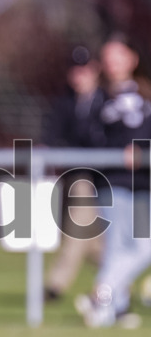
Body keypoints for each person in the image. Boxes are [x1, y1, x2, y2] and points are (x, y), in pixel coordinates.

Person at [75, 34, 151, 327]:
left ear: (132, 59)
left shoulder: (146, 95)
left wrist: (141, 150)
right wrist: (85, 97)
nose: (112, 63)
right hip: (113, 182)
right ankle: (112, 309)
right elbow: (85, 138)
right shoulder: (98, 98)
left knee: (144, 247)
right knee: (117, 247)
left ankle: (100, 294)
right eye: (108, 58)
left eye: (118, 56)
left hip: (142, 184)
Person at [43, 47, 104, 301]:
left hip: (109, 178)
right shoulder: (64, 104)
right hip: (78, 177)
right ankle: (116, 277)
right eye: (75, 71)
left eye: (84, 70)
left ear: (95, 71)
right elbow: (50, 138)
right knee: (85, 233)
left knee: (90, 238)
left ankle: (57, 284)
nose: (79, 76)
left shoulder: (107, 101)